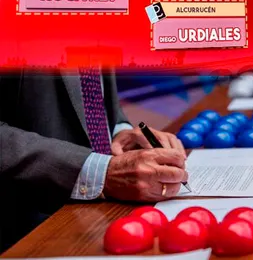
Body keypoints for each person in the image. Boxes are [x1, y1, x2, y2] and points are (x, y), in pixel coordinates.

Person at [0, 70, 187, 251]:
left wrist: (120, 131)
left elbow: (91, 86)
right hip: (26, 232)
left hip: (98, 216)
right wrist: (101, 173)